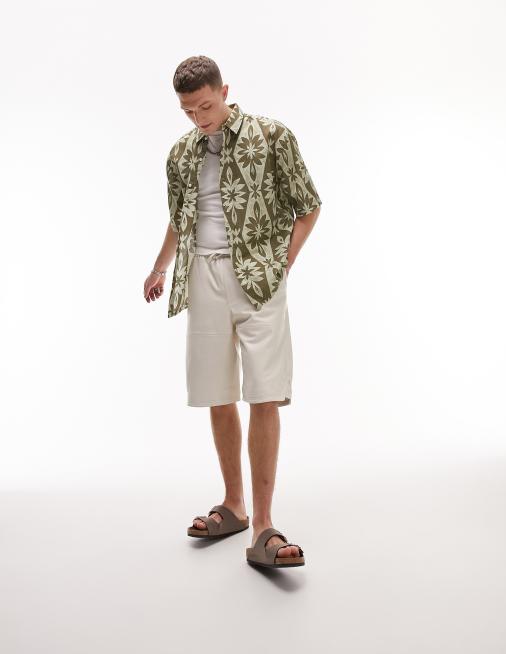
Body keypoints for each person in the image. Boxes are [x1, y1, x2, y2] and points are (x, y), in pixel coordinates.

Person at [143, 55, 322, 569]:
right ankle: (234, 505)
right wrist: (159, 268)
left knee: (264, 392)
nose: (198, 118)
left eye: (205, 106)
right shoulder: (180, 153)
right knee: (217, 394)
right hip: (202, 276)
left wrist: (283, 262)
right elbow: (180, 218)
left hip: (258, 279)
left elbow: (308, 205)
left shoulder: (272, 136)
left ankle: (264, 526)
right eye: (188, 110)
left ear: (225, 91)